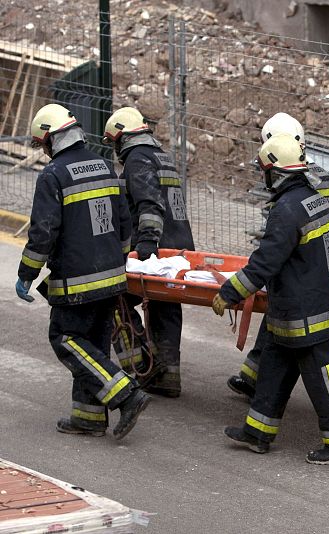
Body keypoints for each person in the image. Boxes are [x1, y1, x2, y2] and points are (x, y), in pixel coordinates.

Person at [214, 133, 329, 465]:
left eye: (264, 171)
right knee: (273, 368)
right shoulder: (314, 198)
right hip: (299, 305)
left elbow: (266, 261)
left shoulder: (286, 209)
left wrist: (230, 292)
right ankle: (258, 432)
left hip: (303, 311)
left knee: (324, 377)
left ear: (275, 172)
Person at [227, 112, 329, 412]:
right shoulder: (320, 177)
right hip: (317, 263)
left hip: (300, 267)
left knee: (313, 330)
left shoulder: (290, 191)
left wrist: (234, 289)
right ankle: (254, 378)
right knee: (290, 321)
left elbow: (277, 243)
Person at [17, 103, 150, 439]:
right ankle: (89, 417)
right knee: (93, 344)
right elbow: (124, 225)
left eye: (43, 144)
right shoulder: (106, 166)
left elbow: (43, 232)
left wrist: (27, 273)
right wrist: (114, 263)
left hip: (76, 282)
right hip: (111, 277)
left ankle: (125, 393)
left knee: (65, 339)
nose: (44, 151)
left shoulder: (53, 176)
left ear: (50, 139)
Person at [103, 107, 195, 398]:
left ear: (122, 138)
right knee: (164, 307)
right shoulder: (162, 157)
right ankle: (169, 376)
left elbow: (150, 205)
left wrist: (146, 247)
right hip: (178, 248)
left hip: (155, 249)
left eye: (114, 142)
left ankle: (140, 366)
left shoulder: (137, 159)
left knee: (115, 300)